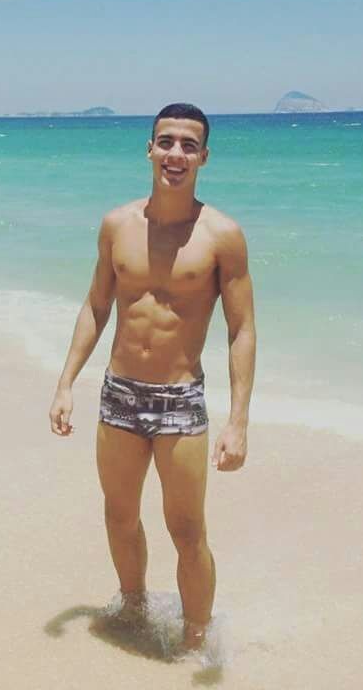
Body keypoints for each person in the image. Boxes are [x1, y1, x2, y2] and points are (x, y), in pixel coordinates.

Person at [48, 103, 256, 650]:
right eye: (166, 142)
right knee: (119, 516)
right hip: (119, 394)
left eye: (189, 145)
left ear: (204, 157)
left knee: (187, 531)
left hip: (180, 401)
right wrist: (66, 383)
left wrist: (238, 421)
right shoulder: (117, 225)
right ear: (149, 150)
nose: (176, 154)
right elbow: (96, 305)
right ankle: (133, 610)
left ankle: (195, 642)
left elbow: (241, 329)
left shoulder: (223, 235)